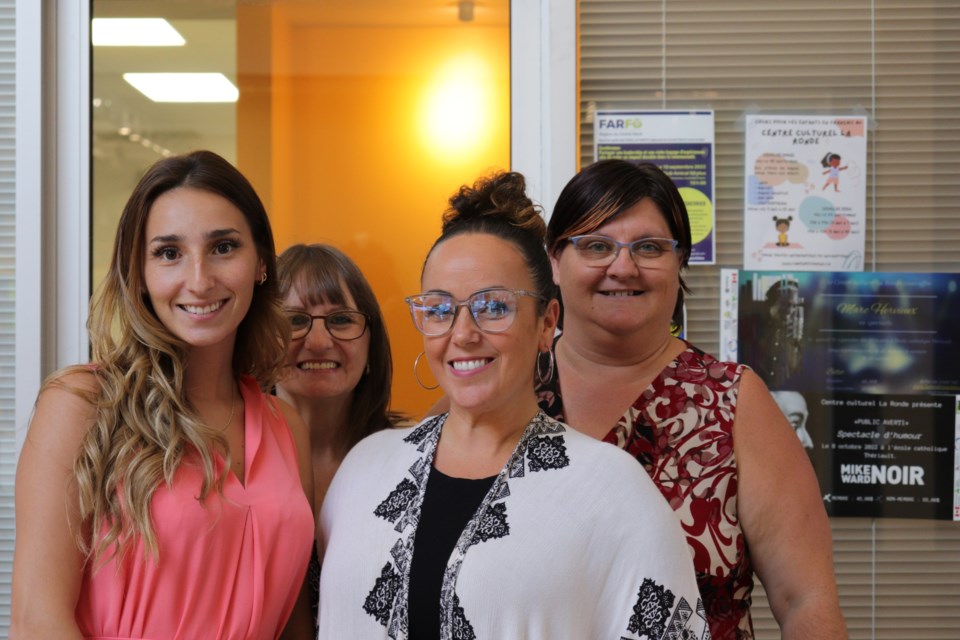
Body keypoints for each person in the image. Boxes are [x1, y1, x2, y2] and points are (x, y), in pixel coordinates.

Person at [317, 171, 709, 638]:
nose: (463, 334)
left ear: (546, 323)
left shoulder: (611, 491)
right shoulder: (365, 470)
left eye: (494, 307)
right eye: (440, 309)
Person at [11, 150, 315, 640]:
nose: (199, 280)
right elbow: (37, 621)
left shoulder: (286, 426)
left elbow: (294, 623)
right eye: (169, 253)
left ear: (260, 261)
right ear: (140, 273)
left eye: (223, 247)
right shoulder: (83, 404)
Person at [539, 159, 846, 639]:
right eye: (596, 246)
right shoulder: (502, 393)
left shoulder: (735, 403)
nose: (623, 266)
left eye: (649, 247)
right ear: (555, 262)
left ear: (679, 262)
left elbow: (805, 600)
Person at [275, 243, 402, 627]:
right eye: (295, 320)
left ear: (371, 341)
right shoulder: (229, 455)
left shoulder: (411, 459)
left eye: (342, 320)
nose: (318, 341)